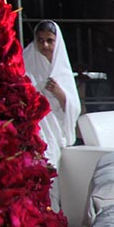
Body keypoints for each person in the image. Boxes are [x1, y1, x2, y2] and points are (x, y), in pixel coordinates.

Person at [22, 20, 80, 206]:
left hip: (54, 131)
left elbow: (74, 107)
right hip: (34, 130)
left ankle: (52, 214)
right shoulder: (26, 61)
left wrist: (59, 93)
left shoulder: (61, 68)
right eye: (40, 40)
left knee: (51, 175)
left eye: (49, 40)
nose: (45, 45)